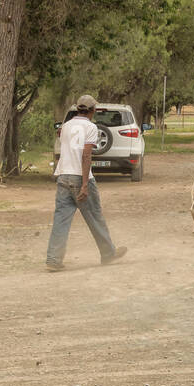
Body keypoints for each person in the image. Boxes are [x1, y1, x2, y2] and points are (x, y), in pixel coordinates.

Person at [47, 95, 126, 272]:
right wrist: (84, 184)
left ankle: (53, 259)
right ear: (92, 110)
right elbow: (86, 155)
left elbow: (63, 141)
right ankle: (108, 253)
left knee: (61, 219)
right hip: (80, 177)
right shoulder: (91, 127)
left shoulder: (65, 126)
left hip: (63, 175)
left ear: (77, 109)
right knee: (95, 216)